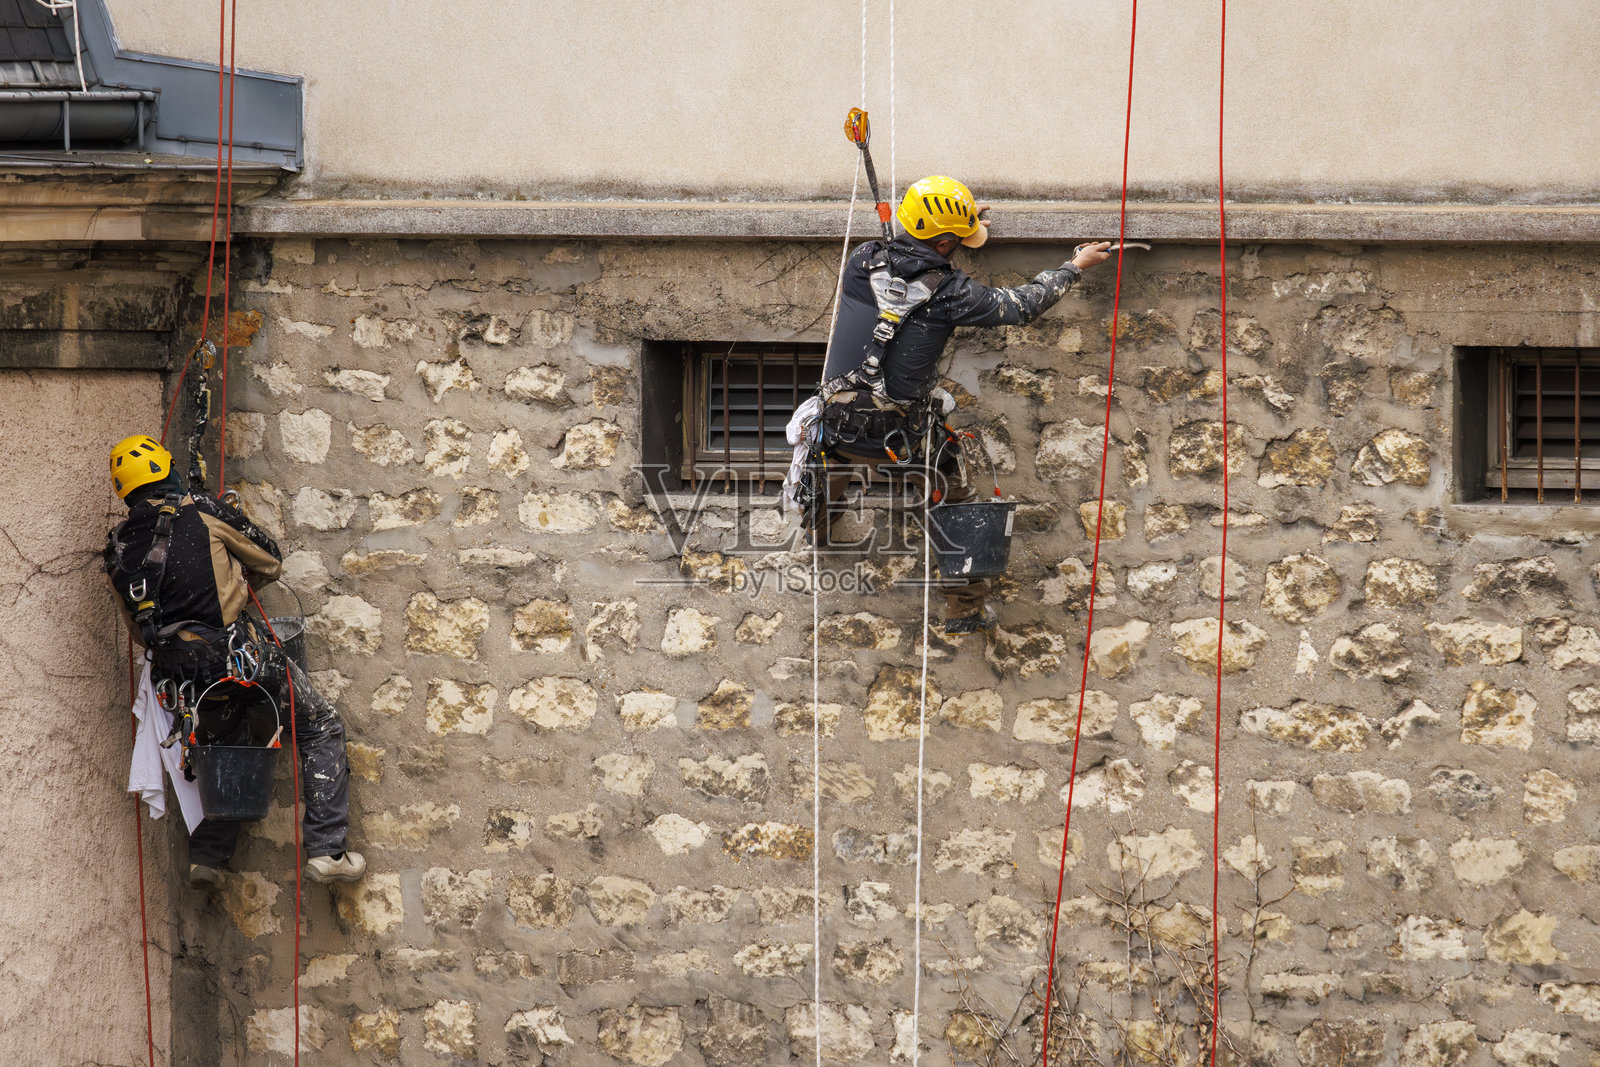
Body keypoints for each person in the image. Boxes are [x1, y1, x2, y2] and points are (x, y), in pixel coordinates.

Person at [814, 175, 1112, 635]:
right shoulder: (953, 293)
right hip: (902, 441)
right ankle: (964, 608)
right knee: (958, 495)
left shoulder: (860, 260)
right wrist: (1074, 266)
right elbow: (1021, 305)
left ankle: (818, 520)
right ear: (947, 242)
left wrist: (959, 226)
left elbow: (910, 253)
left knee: (827, 459)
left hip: (838, 429)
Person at [103, 434, 365, 887]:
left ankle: (207, 858)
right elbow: (270, 561)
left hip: (178, 680)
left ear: (124, 491)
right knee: (320, 724)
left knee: (225, 747)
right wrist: (233, 588)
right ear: (167, 469)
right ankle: (327, 850)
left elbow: (136, 629)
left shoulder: (116, 550)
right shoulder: (203, 510)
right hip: (237, 660)